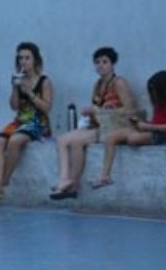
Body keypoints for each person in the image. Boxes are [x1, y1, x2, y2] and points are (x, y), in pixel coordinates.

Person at [50, 46, 135, 199]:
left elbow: (129, 109)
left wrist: (103, 111)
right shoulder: (97, 85)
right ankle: (69, 182)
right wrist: (92, 112)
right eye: (97, 62)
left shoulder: (119, 83)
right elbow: (97, 109)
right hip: (98, 125)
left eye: (105, 61)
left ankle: (69, 183)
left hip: (114, 127)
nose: (100, 65)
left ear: (112, 64)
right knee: (64, 140)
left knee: (72, 141)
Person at [0, 41, 54, 201]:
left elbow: (47, 108)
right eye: (20, 58)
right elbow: (14, 106)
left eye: (27, 58)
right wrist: (15, 89)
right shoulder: (19, 79)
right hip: (20, 121)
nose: (23, 62)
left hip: (39, 122)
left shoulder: (44, 81)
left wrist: (30, 92)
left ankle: (3, 181)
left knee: (15, 141)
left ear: (35, 60)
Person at [92, 70, 166, 188]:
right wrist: (139, 122)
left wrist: (149, 126)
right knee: (111, 137)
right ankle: (105, 175)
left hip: (161, 134)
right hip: (151, 129)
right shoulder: (158, 104)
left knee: (133, 139)